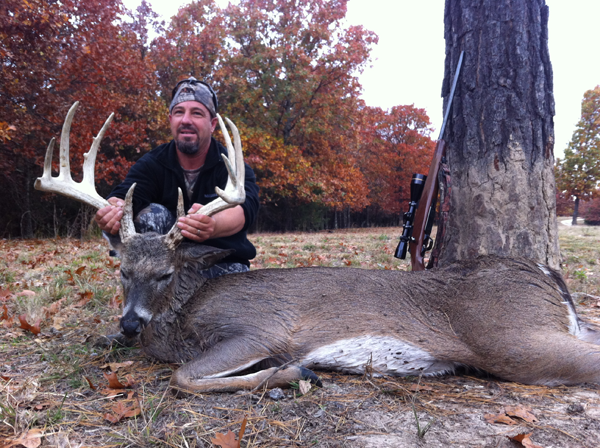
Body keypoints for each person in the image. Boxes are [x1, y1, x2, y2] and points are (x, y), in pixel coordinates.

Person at [94, 77, 260, 278]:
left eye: (197, 113)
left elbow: (246, 207)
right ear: (171, 120)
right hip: (161, 271)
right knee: (152, 214)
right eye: (179, 112)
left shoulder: (231, 167)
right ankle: (146, 284)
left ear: (212, 123)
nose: (186, 120)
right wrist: (113, 210)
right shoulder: (153, 163)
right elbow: (127, 194)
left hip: (218, 265)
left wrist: (213, 224)